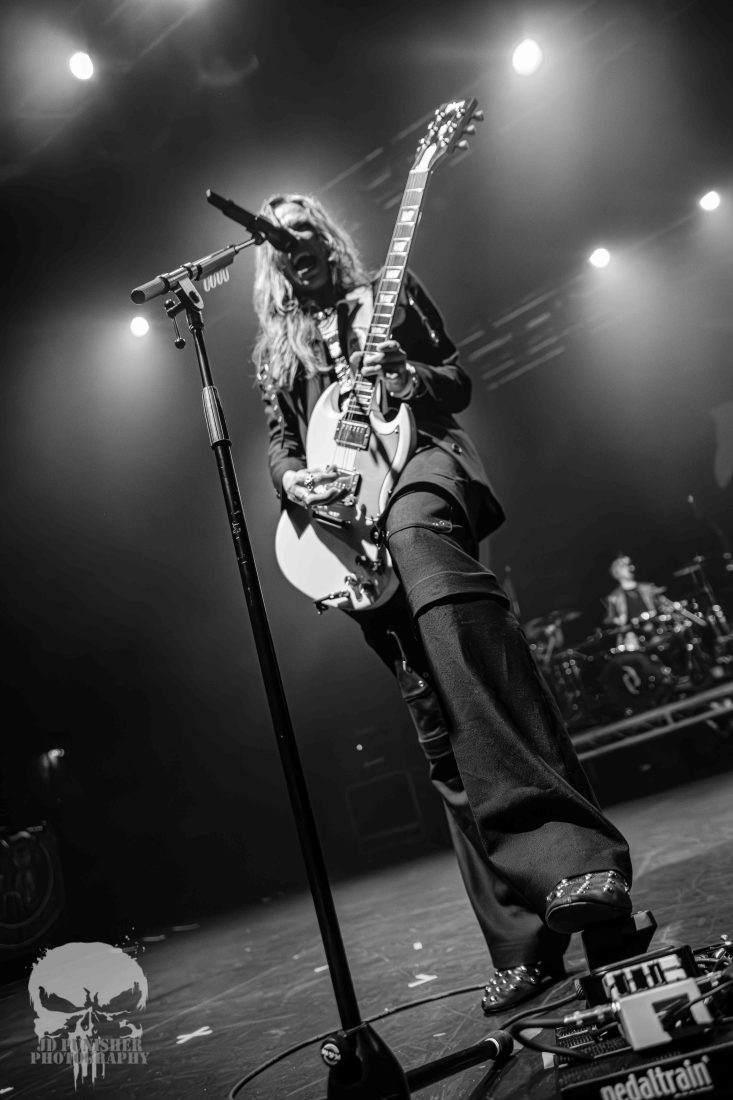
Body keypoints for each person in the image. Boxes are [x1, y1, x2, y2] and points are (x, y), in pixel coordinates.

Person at [253, 193, 634, 1013]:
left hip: (424, 465)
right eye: (278, 236)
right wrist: (297, 482)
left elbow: (455, 380)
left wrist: (408, 376)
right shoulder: (275, 348)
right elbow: (280, 445)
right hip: (348, 525)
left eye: (304, 226)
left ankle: (577, 866)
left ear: (325, 236)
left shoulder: (387, 290)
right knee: (436, 719)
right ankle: (524, 941)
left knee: (435, 581)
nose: (294, 241)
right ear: (270, 258)